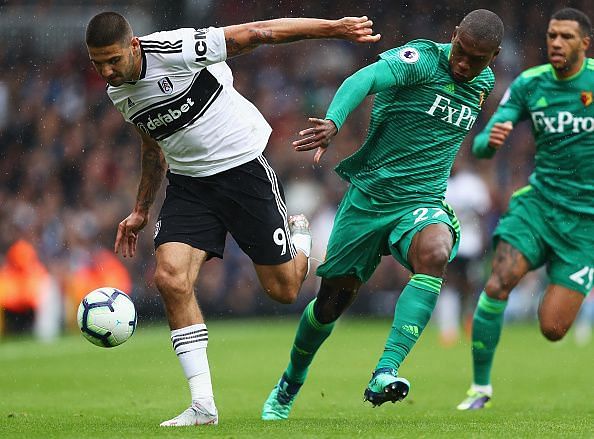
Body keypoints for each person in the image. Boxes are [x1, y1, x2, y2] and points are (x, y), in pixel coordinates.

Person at [85, 12, 380, 427]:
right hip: (189, 184)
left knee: (285, 290)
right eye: (97, 63)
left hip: (242, 169)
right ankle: (203, 405)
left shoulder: (175, 49)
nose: (106, 71)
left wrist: (333, 28)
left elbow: (258, 33)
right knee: (170, 279)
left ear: (133, 46)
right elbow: (153, 146)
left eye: (112, 60)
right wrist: (141, 209)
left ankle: (300, 238)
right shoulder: (120, 92)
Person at [261, 9, 504, 420]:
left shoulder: (483, 82)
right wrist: (335, 121)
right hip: (369, 198)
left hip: (421, 201)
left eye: (477, 59)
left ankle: (386, 369)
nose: (465, 64)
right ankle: (289, 382)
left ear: (494, 56)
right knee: (331, 305)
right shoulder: (420, 60)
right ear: (454, 34)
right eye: (461, 51)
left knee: (436, 252)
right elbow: (364, 78)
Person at [456, 7, 594, 411]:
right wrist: (491, 141)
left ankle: (557, 282)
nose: (555, 42)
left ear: (584, 43)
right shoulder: (529, 85)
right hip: (538, 205)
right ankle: (480, 388)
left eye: (566, 36)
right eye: (551, 35)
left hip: (585, 224)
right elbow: (480, 147)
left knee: (552, 328)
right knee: (499, 280)